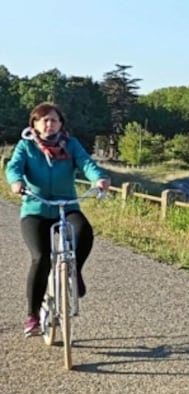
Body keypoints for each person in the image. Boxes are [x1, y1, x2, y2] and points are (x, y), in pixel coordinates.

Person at [5, 102, 110, 337]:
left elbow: (86, 164)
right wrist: (16, 182)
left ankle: (75, 272)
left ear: (61, 124)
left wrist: (99, 178)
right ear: (34, 124)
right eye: (43, 120)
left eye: (53, 120)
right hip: (35, 208)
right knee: (41, 258)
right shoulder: (26, 146)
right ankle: (32, 316)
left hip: (67, 205)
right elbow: (14, 168)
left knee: (84, 232)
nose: (49, 124)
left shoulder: (71, 145)